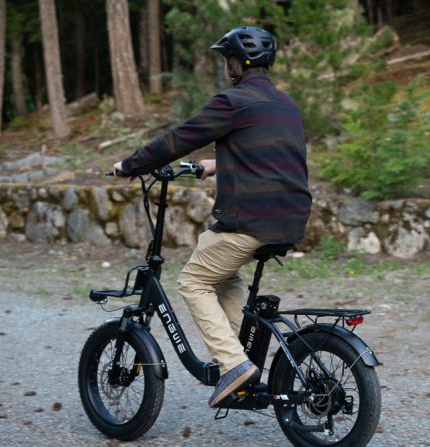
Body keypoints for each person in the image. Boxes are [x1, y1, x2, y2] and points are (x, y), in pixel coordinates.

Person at [113, 26, 311, 407]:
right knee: (224, 275)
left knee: (194, 281)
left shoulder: (233, 101)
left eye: (227, 60)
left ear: (236, 63)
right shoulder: (286, 104)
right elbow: (272, 154)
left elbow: (177, 139)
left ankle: (235, 365)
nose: (226, 67)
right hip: (291, 217)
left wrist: (130, 165)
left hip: (250, 220)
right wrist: (216, 164)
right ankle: (241, 358)